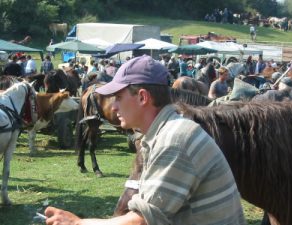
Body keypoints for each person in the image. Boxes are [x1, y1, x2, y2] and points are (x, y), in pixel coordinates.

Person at [44, 55, 246, 225]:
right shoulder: (166, 131)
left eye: (118, 98)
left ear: (142, 97)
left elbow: (141, 221)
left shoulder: (174, 140)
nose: (113, 107)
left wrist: (78, 223)